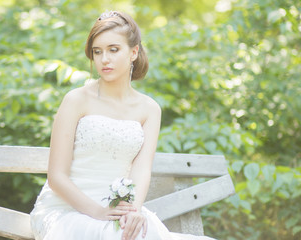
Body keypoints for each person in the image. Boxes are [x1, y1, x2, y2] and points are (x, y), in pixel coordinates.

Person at [30, 10, 216, 240]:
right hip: (67, 210)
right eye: (97, 52)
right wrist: (98, 212)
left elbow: (141, 169)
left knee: (135, 233)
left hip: (117, 208)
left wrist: (133, 210)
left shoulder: (149, 109)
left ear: (134, 52)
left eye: (113, 50)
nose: (104, 59)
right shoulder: (76, 100)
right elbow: (56, 176)